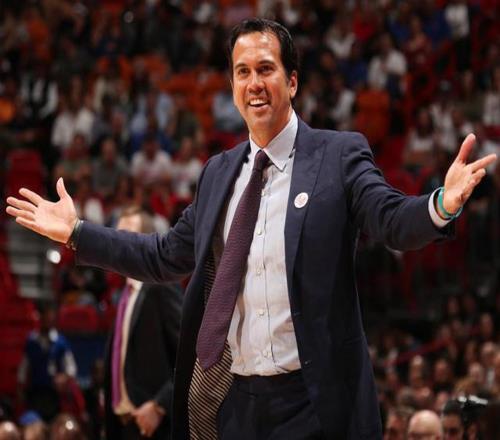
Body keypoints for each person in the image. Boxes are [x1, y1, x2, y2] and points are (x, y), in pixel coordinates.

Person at [6, 18, 497, 440]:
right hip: (237, 404)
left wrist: (440, 204)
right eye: (243, 72)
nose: (254, 83)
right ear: (232, 86)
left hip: (315, 401)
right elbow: (163, 255)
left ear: (293, 81)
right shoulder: (219, 172)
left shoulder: (338, 155)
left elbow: (390, 219)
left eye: (266, 69)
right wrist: (77, 232)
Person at [104, 206, 182, 439]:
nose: (118, 242)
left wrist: (160, 405)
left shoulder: (162, 286)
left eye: (127, 234)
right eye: (116, 234)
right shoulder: (125, 292)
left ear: (146, 241)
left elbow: (188, 356)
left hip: (153, 425)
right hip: (123, 423)